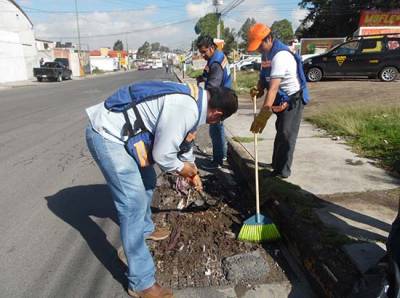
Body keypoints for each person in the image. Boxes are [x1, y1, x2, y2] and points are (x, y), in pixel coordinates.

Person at [85, 80, 238, 298]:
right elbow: (163, 155)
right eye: (219, 120)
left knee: (148, 179)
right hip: (108, 135)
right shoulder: (186, 108)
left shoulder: (196, 99)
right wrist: (182, 169)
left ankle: (145, 229)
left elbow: (185, 141)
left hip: (127, 133)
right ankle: (141, 283)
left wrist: (192, 170)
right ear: (217, 114)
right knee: (133, 204)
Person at [247, 23, 310, 178]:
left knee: (287, 134)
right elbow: (264, 77)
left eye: (260, 45)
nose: (258, 49)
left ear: (268, 38)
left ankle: (282, 172)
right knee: (280, 131)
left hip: (293, 99)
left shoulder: (280, 56)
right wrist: (259, 88)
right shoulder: (266, 54)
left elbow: (274, 88)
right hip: (280, 97)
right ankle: (276, 165)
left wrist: (264, 114)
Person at [196, 35, 233, 170]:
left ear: (211, 48)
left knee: (216, 130)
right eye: (201, 52)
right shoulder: (216, 57)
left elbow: (212, 88)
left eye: (204, 52)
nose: (203, 55)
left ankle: (218, 161)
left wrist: (201, 97)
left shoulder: (216, 63)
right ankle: (221, 155)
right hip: (224, 96)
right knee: (217, 129)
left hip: (220, 99)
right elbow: (207, 73)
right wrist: (202, 77)